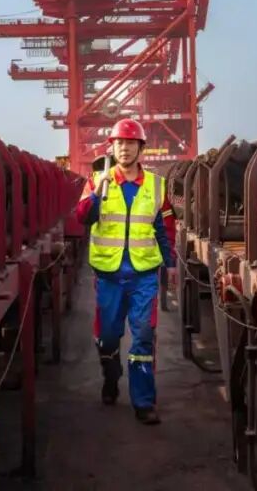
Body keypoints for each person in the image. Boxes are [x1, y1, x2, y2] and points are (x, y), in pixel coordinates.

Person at [75, 118, 177, 425]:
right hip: (109, 275)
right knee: (108, 337)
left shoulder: (156, 185)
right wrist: (97, 193)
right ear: (112, 147)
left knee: (143, 337)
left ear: (140, 148)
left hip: (143, 275)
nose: (124, 148)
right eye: (119, 143)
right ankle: (111, 375)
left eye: (130, 143)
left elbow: (165, 228)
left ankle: (143, 402)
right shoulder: (97, 180)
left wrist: (170, 264)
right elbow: (82, 217)